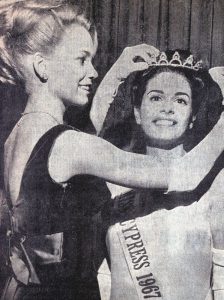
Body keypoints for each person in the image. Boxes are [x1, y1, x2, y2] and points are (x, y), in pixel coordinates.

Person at [0, 0, 224, 298]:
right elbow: (184, 174)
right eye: (82, 59)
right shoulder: (70, 145)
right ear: (43, 67)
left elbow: (74, 156)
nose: (92, 71)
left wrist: (115, 75)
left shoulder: (18, 136)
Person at [96, 51, 224, 300]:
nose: (167, 108)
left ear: (192, 118)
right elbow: (103, 275)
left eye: (180, 101)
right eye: (156, 97)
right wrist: (114, 77)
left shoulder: (215, 182)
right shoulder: (113, 179)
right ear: (137, 112)